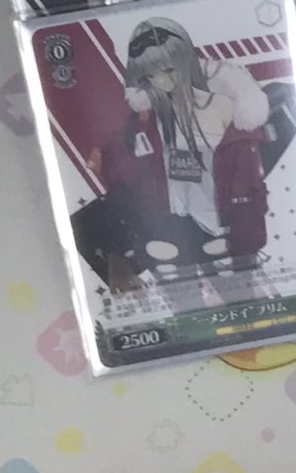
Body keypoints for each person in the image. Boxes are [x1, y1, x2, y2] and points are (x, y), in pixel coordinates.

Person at [98, 18, 273, 280]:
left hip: (222, 222)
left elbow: (247, 180)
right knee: (180, 292)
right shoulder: (145, 120)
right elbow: (127, 173)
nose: (160, 80)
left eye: (169, 70)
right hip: (170, 227)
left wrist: (246, 233)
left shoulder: (224, 106)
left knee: (237, 289)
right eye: (149, 75)